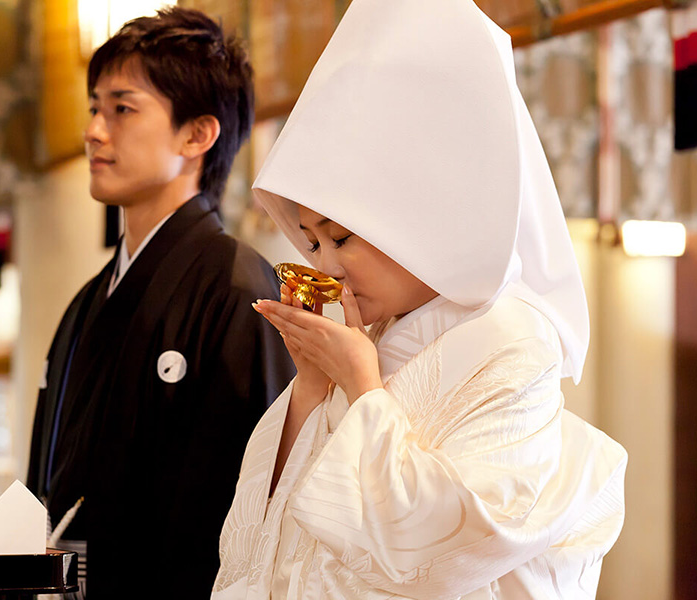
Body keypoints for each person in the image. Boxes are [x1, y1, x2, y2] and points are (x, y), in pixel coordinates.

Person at [212, 0, 627, 598]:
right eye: (312, 241)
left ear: (418, 214)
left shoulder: (513, 340)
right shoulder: (374, 329)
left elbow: (452, 548)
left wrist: (361, 387)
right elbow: (270, 536)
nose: (324, 266)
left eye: (342, 238)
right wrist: (311, 384)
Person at [26, 8, 295, 598]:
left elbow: (257, 506)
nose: (95, 130)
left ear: (197, 134)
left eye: (122, 109)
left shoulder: (238, 289)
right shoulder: (87, 301)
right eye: (95, 107)